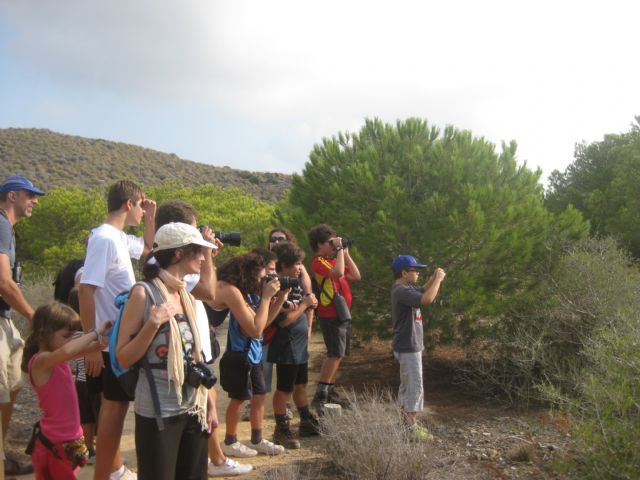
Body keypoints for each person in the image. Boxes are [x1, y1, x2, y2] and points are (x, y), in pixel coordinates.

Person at [154, 201, 252, 477]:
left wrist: (206, 254)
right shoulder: (165, 262)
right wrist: (206, 254)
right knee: (198, 405)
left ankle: (214, 458)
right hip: (184, 345)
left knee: (205, 401)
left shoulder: (169, 260)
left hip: (193, 340)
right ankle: (216, 460)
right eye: (194, 230)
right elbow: (208, 290)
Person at [116, 222, 217, 480]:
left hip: (194, 408)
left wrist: (211, 404)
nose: (203, 257)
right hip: (158, 411)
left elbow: (196, 357)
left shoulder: (187, 296)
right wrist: (153, 323)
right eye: (198, 251)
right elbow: (123, 356)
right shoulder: (143, 293)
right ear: (178, 254)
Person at [78, 180, 156, 480]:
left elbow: (148, 249)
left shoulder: (117, 238)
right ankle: (108, 473)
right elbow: (86, 290)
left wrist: (150, 218)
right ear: (128, 204)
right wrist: (92, 343)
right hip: (107, 342)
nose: (141, 210)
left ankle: (114, 471)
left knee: (115, 408)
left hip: (116, 340)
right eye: (140, 205)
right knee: (112, 410)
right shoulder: (105, 239)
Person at [22, 302, 112, 479]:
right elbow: (70, 349)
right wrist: (93, 332)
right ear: (42, 334)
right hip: (54, 443)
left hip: (67, 440)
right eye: (66, 336)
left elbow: (96, 347)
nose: (70, 340)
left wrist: (106, 333)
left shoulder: (57, 359)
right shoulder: (41, 362)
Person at [214, 253, 285, 457]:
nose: (267, 278)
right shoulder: (240, 295)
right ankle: (230, 440)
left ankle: (257, 438)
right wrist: (265, 298)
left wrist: (279, 299)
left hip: (254, 355)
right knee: (238, 398)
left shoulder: (253, 295)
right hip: (240, 355)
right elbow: (252, 329)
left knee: (259, 396)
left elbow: (263, 325)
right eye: (264, 273)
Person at [0, 175, 45, 477]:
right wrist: (34, 317)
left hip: (4, 319)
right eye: (30, 195)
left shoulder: (9, 230)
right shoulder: (1, 224)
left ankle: (2, 456)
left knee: (12, 387)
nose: (35, 201)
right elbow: (3, 282)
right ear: (12, 195)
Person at [269, 242, 319, 449]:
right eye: (296, 264)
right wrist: (306, 305)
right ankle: (281, 428)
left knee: (301, 385)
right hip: (286, 346)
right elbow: (284, 320)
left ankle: (305, 420)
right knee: (284, 389)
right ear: (283, 265)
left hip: (298, 345)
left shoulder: (294, 283)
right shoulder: (277, 287)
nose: (300, 267)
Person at [390, 255, 446, 441]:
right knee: (414, 385)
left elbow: (422, 290)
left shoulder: (405, 288)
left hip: (409, 345)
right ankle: (411, 428)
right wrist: (437, 279)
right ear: (404, 273)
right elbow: (427, 299)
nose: (417, 274)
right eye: (414, 271)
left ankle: (406, 424)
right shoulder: (401, 291)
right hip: (408, 346)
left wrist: (433, 278)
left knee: (408, 385)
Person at [308, 224, 361, 412]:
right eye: (330, 243)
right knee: (334, 354)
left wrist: (345, 254)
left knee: (339, 354)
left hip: (341, 313)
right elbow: (338, 273)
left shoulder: (333, 260)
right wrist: (339, 251)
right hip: (330, 313)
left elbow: (355, 275)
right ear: (319, 244)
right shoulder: (318, 261)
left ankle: (330, 391)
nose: (333, 246)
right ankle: (321, 394)